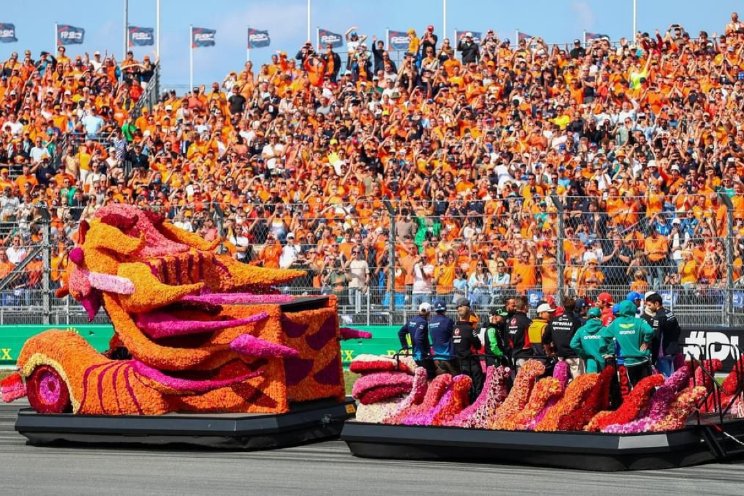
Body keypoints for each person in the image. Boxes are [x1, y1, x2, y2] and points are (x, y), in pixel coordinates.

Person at [600, 300, 655, 387]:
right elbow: (650, 331)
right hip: (643, 359)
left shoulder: (616, 323)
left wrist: (608, 351)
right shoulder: (639, 321)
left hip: (629, 362)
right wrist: (646, 342)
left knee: (636, 389)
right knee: (648, 388)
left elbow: (604, 336)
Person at [543, 297, 584, 378]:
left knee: (559, 383)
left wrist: (549, 352)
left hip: (560, 356)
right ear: (574, 307)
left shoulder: (554, 320)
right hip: (573, 357)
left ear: (563, 307)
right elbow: (580, 339)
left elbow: (545, 339)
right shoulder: (576, 322)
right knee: (576, 384)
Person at [643, 292, 682, 377]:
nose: (648, 307)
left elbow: (656, 337)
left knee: (666, 379)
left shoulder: (658, 317)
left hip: (663, 352)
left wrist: (653, 357)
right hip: (673, 350)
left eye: (650, 305)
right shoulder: (669, 312)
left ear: (656, 303)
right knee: (672, 376)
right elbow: (678, 330)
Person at [453, 297, 483, 398]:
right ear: (469, 311)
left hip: (458, 363)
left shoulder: (453, 329)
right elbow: (478, 346)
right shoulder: (470, 329)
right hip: (472, 363)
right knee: (477, 387)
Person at [398, 302, 435, 376]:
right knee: (429, 377)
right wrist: (424, 353)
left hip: (415, 355)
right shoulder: (423, 322)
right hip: (422, 356)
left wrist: (405, 347)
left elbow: (400, 333)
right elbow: (418, 338)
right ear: (429, 312)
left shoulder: (411, 320)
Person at [570, 308, 606, 373]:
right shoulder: (604, 329)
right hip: (603, 362)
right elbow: (611, 346)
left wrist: (583, 354)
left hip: (590, 363)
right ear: (600, 316)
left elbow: (573, 344)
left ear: (588, 316)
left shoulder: (581, 330)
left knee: (591, 381)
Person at [429, 299, 458, 375]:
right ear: (445, 309)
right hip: (448, 357)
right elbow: (455, 335)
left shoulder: (431, 322)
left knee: (441, 383)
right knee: (455, 381)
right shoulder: (448, 321)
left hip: (436, 357)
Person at [506, 296, 533, 369]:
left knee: (517, 379)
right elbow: (531, 340)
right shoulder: (527, 322)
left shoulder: (509, 321)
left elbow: (508, 340)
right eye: (528, 306)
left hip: (514, 355)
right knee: (525, 379)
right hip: (525, 356)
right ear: (524, 306)